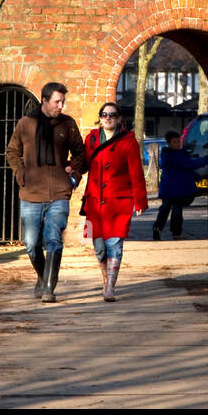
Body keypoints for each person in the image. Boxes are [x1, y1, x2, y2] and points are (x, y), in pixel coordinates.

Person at [6, 82, 88, 303]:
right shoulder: (26, 123)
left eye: (63, 102)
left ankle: (49, 288)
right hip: (31, 193)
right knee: (31, 243)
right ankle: (42, 277)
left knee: (53, 239)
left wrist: (74, 175)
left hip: (59, 193)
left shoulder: (67, 124)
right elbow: (12, 151)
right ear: (44, 101)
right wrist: (21, 174)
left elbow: (80, 153)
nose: (61, 106)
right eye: (56, 102)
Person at [81, 103, 147, 301]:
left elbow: (136, 172)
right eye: (104, 114)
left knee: (115, 245)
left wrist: (140, 201)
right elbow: (83, 163)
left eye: (112, 115)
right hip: (94, 202)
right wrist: (70, 171)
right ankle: (104, 279)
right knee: (99, 247)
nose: (107, 118)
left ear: (119, 118)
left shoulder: (129, 141)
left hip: (119, 202)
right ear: (100, 117)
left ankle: (110, 286)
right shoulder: (91, 139)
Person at [153, 131, 207, 240]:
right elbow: (188, 164)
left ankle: (158, 227)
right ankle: (176, 232)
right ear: (168, 143)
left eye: (179, 141)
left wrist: (195, 176)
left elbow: (184, 168)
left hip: (168, 188)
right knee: (176, 210)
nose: (177, 144)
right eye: (174, 142)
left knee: (165, 208)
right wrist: (206, 159)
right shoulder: (174, 155)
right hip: (177, 188)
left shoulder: (168, 155)